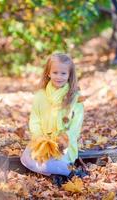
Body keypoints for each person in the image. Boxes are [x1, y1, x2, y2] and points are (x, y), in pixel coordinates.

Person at [20, 53, 86, 187]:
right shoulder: (40, 95)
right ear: (48, 73)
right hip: (43, 141)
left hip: (63, 144)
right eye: (55, 72)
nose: (59, 76)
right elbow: (35, 119)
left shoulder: (75, 98)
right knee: (26, 159)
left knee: (56, 158)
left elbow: (75, 126)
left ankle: (63, 171)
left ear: (69, 75)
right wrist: (39, 138)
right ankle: (64, 172)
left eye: (63, 73)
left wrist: (64, 140)